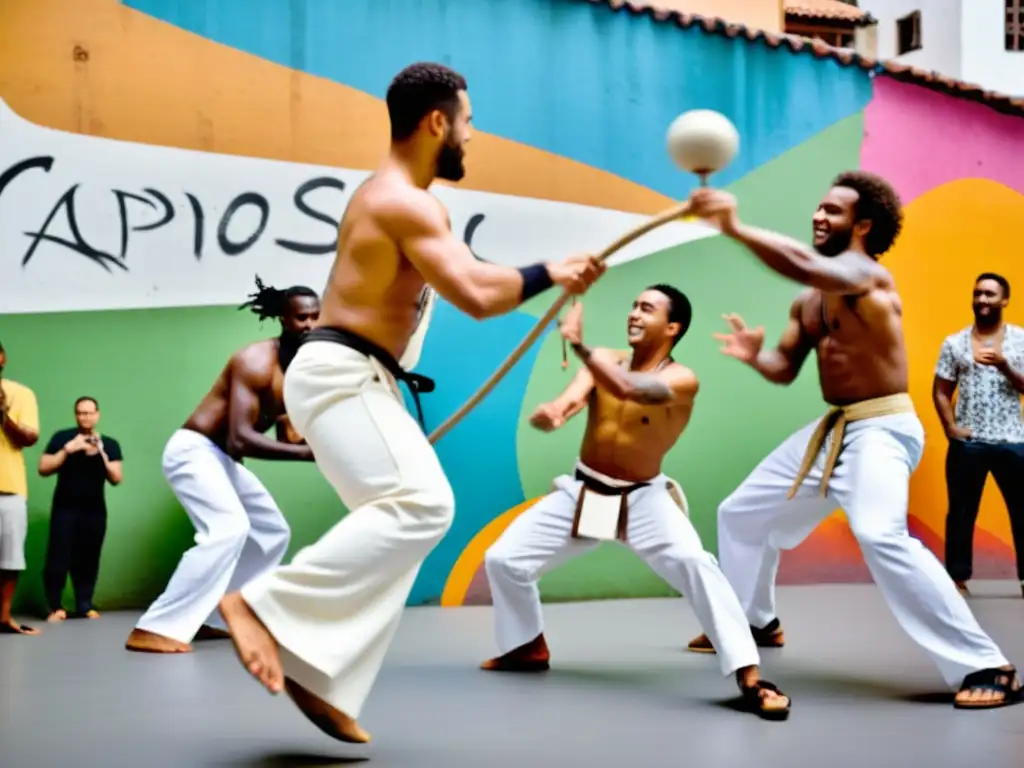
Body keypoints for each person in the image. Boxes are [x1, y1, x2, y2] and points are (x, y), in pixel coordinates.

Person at [216, 61, 605, 744]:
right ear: (437, 123)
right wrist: (554, 271)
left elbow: (470, 277)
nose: (471, 137)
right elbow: (479, 295)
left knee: (398, 526)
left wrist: (551, 274)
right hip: (340, 375)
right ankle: (262, 606)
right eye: (468, 123)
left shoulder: (403, 201)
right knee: (423, 506)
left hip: (356, 379)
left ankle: (323, 675)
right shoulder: (403, 200)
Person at [682, 171, 1022, 710]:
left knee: (878, 533)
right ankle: (755, 620)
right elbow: (785, 367)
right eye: (818, 207)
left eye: (833, 211)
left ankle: (987, 665)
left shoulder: (867, 277)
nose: (819, 216)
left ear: (863, 226)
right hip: (836, 430)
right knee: (739, 512)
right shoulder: (809, 300)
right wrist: (756, 356)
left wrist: (736, 228)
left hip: (883, 427)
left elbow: (805, 262)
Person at [480, 289, 790, 720]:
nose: (633, 313)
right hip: (585, 492)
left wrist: (579, 346)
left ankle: (749, 675)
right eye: (632, 305)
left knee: (696, 563)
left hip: (643, 500)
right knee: (504, 560)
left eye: (647, 308)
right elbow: (570, 401)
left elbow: (632, 388)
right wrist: (553, 412)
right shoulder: (605, 358)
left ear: (672, 327)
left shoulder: (682, 379)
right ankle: (526, 647)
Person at [124, 278, 321, 654]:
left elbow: (290, 439)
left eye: (315, 317)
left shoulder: (302, 369)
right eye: (301, 318)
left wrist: (330, 447)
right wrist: (307, 455)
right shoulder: (255, 359)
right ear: (283, 319)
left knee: (271, 532)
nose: (309, 325)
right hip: (194, 451)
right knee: (228, 529)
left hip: (221, 459)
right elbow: (240, 439)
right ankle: (155, 627)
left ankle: (213, 616)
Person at [933, 273, 1024, 597]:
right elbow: (941, 391)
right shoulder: (954, 343)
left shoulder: (1020, 339)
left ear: (1004, 300)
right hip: (968, 443)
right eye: (978, 293)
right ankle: (957, 579)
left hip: (1013, 441)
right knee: (960, 511)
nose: (982, 300)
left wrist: (1005, 366)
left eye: (989, 294)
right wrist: (950, 428)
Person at [38, 396, 124, 621]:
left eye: (89, 413)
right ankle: (55, 606)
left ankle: (84, 604)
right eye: (81, 413)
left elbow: (116, 478)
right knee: (58, 557)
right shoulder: (62, 438)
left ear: (97, 415)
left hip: (94, 511)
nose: (85, 417)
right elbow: (43, 468)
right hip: (65, 509)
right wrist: (68, 450)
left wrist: (102, 452)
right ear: (76, 415)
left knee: (89, 558)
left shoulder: (110, 444)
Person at [0, 340, 40, 636]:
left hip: (9, 489)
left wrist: (3, 416)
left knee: (10, 558)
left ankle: (3, 618)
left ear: (2, 358)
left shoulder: (21, 394)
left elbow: (29, 438)